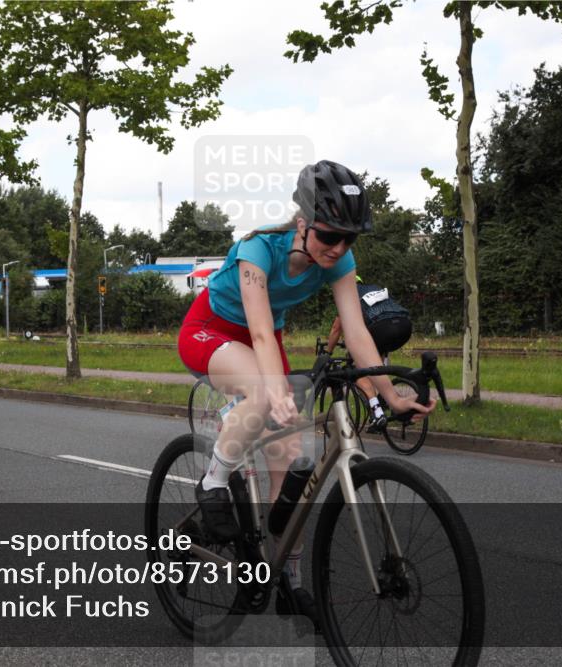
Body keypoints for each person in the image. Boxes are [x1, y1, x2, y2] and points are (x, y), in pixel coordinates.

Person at [177, 160, 434, 622]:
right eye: (329, 235)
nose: (338, 248)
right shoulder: (257, 250)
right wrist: (273, 391)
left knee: (292, 457)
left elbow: (356, 334)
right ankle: (213, 481)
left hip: (262, 340)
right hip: (211, 330)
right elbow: (256, 333)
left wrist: (390, 395)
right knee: (262, 392)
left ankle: (288, 583)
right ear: (303, 223)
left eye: (348, 239)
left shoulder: (340, 261)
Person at [326, 277, 412, 431]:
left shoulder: (348, 295)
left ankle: (377, 412)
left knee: (355, 370)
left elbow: (336, 328)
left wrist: (327, 352)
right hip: (404, 324)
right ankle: (394, 404)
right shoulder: (373, 287)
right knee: (377, 365)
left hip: (382, 328)